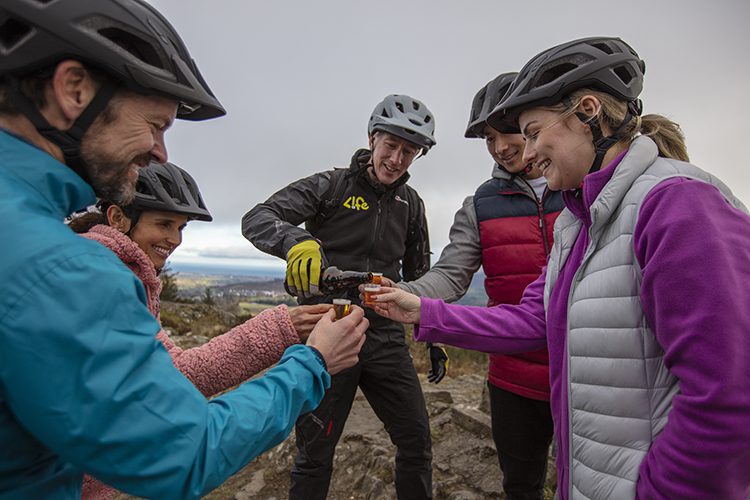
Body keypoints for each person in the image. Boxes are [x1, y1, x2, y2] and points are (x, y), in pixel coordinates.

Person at [0, 1, 366, 498]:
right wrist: (314, 363)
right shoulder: (60, 269)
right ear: (74, 90)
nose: (160, 152)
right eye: (156, 125)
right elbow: (182, 451)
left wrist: (282, 325)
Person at [366, 37, 750, 499]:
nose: (524, 155)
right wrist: (419, 310)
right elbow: (536, 319)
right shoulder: (578, 221)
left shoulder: (679, 206)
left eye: (531, 133)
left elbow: (729, 397)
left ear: (588, 111)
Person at [68, 160, 337, 498]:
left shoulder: (111, 270)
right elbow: (177, 389)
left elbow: (169, 374)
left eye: (181, 227)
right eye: (164, 223)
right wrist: (297, 343)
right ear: (118, 218)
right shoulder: (101, 282)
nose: (174, 239)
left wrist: (286, 326)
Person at [242, 94, 441, 499]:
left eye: (409, 151)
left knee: (417, 443)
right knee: (315, 453)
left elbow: (419, 275)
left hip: (384, 335)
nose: (397, 159)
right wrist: (298, 241)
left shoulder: (412, 204)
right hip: (327, 330)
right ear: (372, 138)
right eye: (391, 146)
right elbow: (258, 218)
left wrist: (431, 330)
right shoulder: (330, 185)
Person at [395, 72, 563, 500]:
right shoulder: (480, 204)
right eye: (488, 138)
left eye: (506, 131)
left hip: (583, 373)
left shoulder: (581, 187)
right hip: (512, 376)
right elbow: (452, 275)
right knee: (520, 486)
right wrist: (404, 293)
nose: (500, 146)